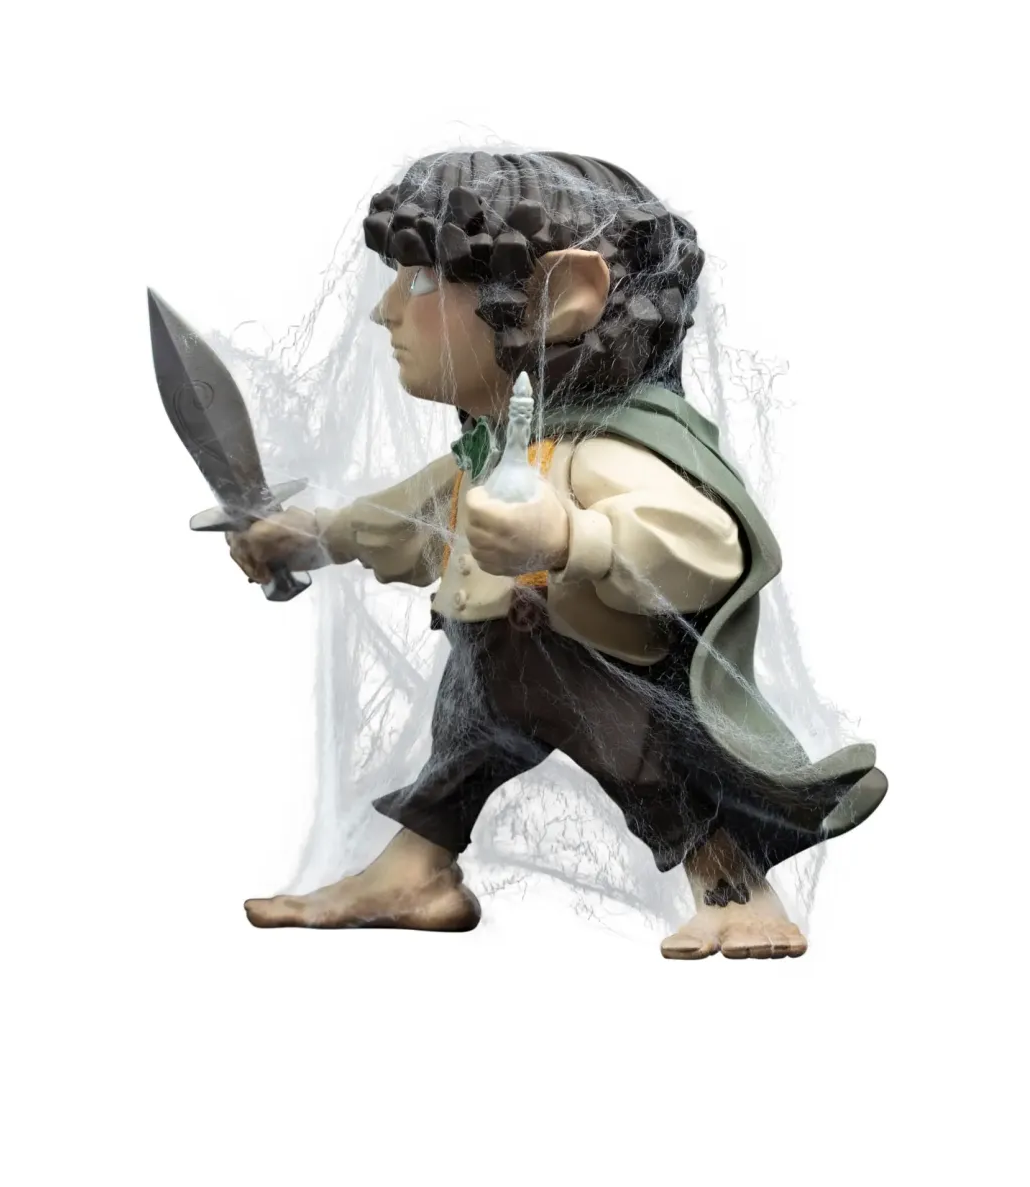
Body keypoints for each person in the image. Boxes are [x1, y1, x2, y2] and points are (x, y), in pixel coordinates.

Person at [229, 149, 886, 959]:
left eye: (422, 282)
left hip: (590, 665)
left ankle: (733, 889)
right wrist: (311, 535)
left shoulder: (607, 451)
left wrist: (576, 537)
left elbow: (703, 544)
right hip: (492, 661)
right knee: (455, 764)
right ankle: (413, 874)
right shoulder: (495, 450)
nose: (386, 311)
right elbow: (405, 520)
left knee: (654, 773)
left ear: (561, 297)